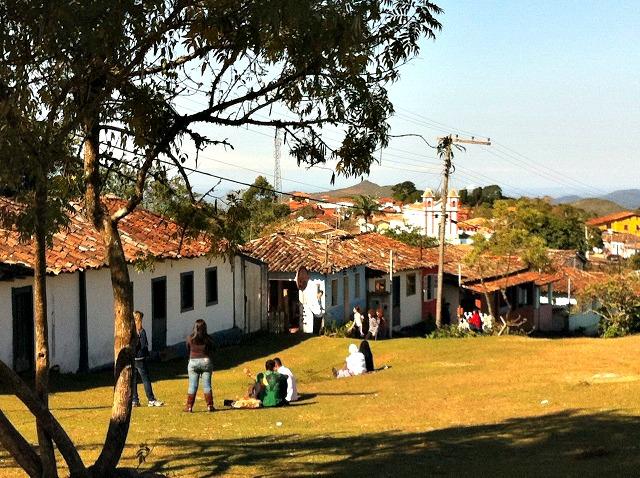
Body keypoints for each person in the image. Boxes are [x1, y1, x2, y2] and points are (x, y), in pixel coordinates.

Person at [132, 311, 164, 407]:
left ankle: (134, 400)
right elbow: (143, 345)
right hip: (140, 358)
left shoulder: (131, 331)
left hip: (133, 358)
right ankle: (151, 399)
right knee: (145, 379)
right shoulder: (141, 331)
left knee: (133, 380)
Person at [185, 319, 216, 412]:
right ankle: (210, 405)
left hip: (193, 361)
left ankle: (189, 406)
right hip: (206, 361)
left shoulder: (190, 338)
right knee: (207, 385)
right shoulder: (208, 338)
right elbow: (213, 349)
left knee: (192, 385)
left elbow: (187, 348)